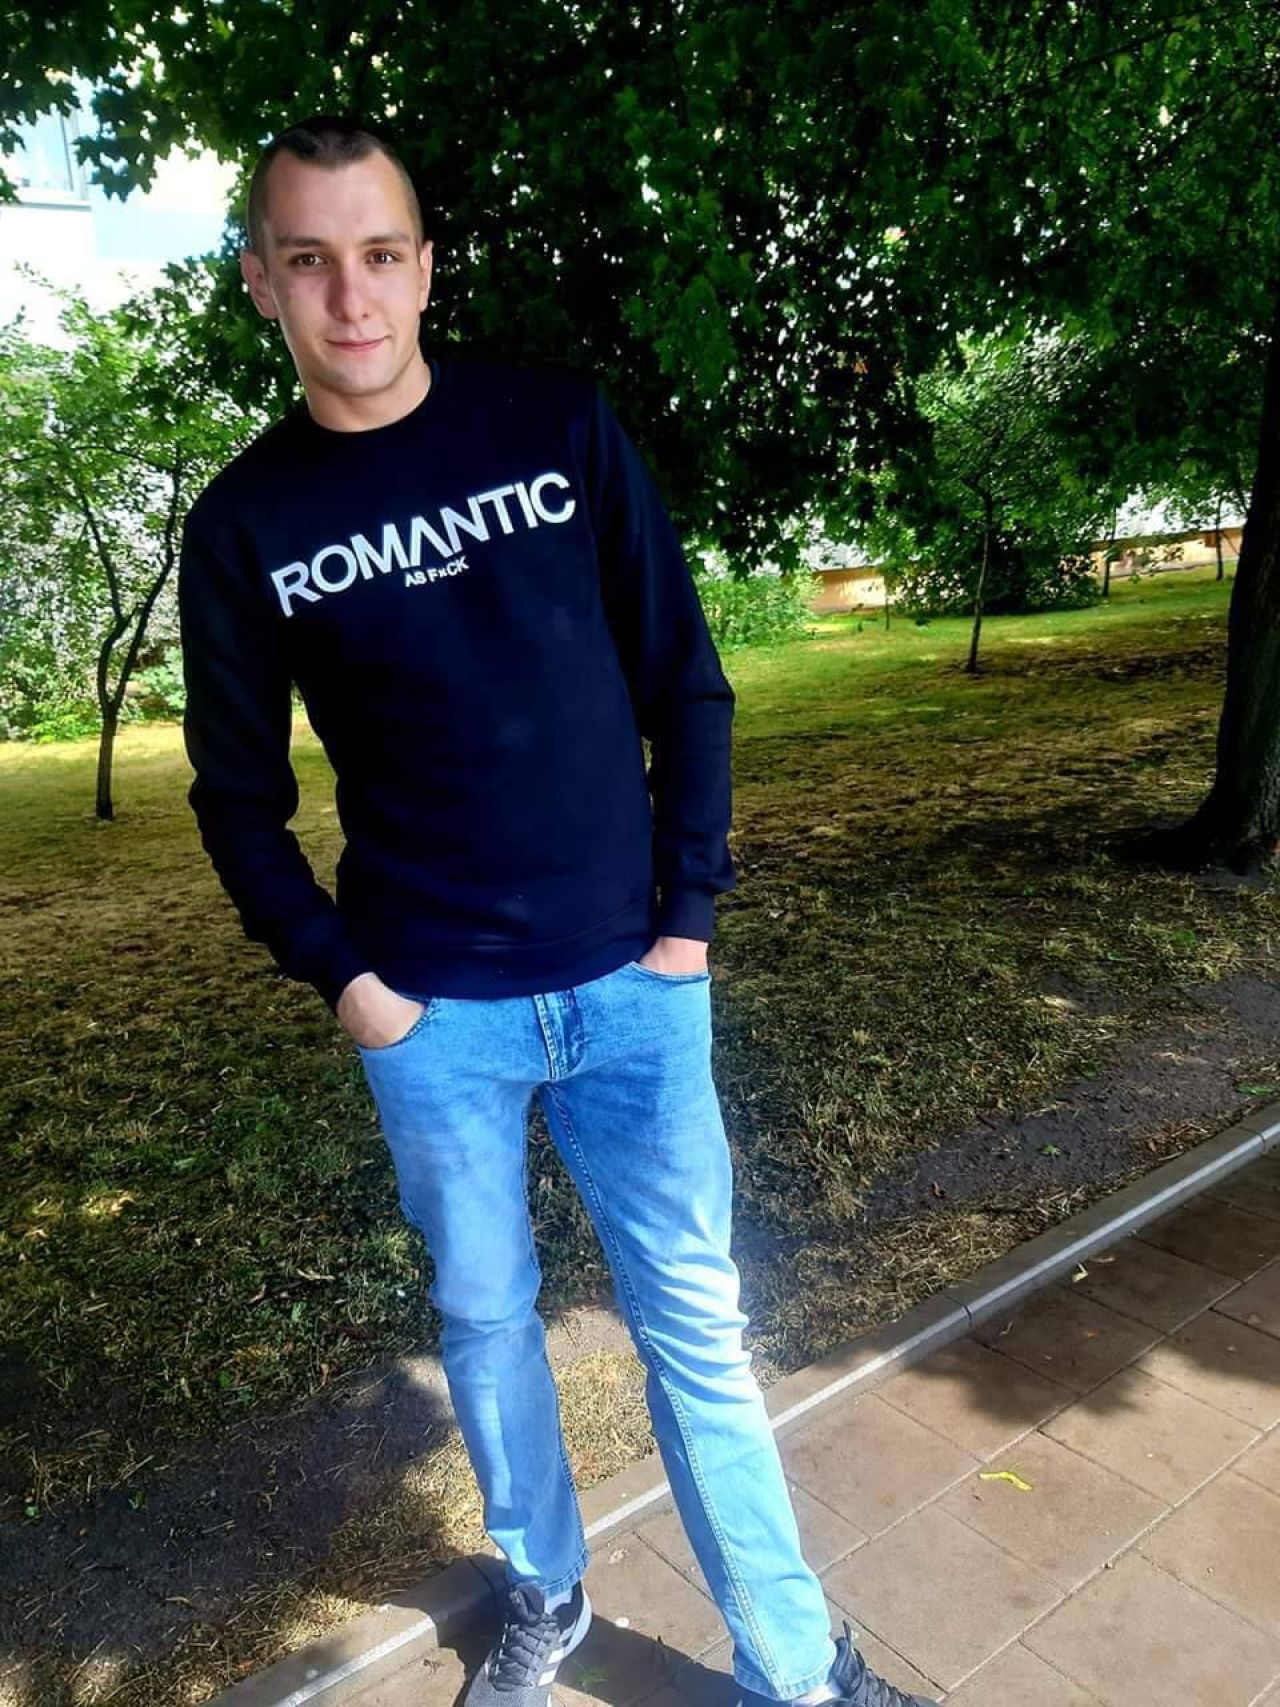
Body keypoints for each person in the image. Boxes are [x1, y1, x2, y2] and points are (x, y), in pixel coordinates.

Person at [178, 115, 937, 1707]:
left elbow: (687, 680)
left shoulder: (557, 425)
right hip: (432, 1016)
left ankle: (798, 1672)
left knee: (697, 1331)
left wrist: (687, 921)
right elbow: (236, 799)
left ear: (425, 267)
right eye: (309, 260)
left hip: (635, 990)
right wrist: (351, 984)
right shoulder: (247, 526)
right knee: (485, 1322)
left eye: (379, 254)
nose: (350, 296)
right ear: (261, 282)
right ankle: (546, 1586)